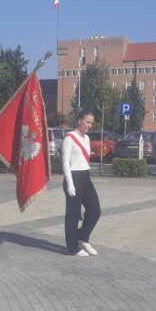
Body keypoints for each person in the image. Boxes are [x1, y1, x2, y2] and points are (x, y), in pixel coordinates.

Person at [62, 108, 101, 257]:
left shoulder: (87, 138)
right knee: (72, 215)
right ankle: (72, 247)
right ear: (79, 121)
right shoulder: (69, 138)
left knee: (95, 210)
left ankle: (82, 237)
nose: (90, 125)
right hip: (73, 177)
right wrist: (70, 183)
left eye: (91, 122)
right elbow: (65, 162)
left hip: (85, 177)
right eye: (87, 122)